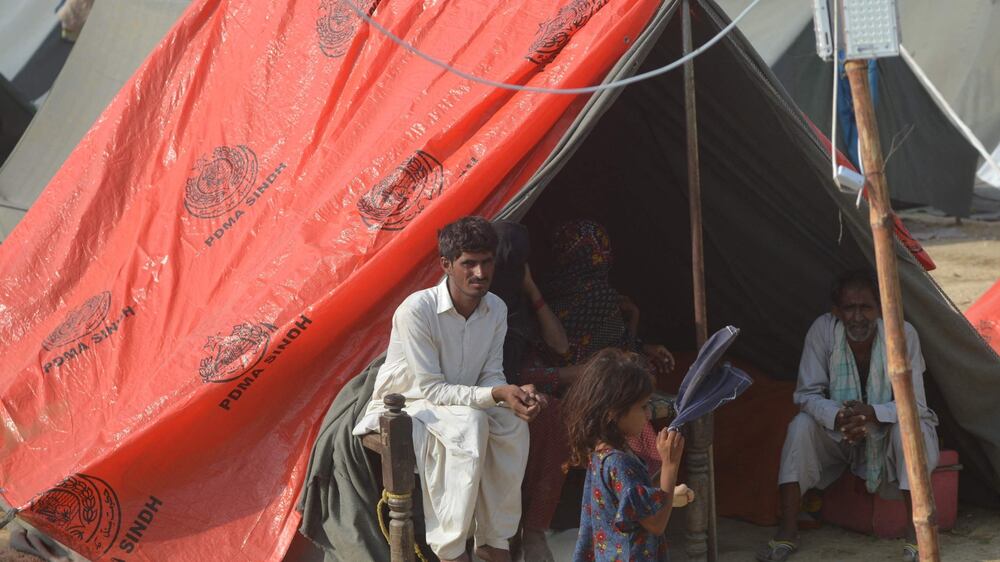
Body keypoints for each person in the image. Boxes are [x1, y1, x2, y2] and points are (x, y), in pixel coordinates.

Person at [352, 216, 544, 562]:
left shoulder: (496, 308)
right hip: (410, 405)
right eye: (468, 263)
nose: (480, 274)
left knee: (514, 424)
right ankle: (452, 550)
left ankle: (492, 542)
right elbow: (432, 389)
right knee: (471, 425)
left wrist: (510, 392)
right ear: (446, 265)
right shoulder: (417, 310)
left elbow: (490, 375)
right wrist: (496, 394)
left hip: (463, 403)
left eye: (486, 262)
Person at [756, 271, 939, 562]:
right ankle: (787, 530)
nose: (857, 317)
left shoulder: (902, 334)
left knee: (912, 432)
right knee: (800, 427)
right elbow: (807, 394)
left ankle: (915, 534)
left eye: (865, 307)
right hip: (841, 429)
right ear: (836, 311)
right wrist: (840, 415)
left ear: (880, 309)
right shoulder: (823, 330)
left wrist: (873, 414)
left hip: (886, 428)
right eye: (849, 308)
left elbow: (914, 404)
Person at [563, 348, 693, 562]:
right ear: (614, 412)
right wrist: (670, 466)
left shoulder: (602, 454)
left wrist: (667, 493)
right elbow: (655, 523)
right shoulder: (619, 463)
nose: (649, 414)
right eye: (642, 407)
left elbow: (634, 501)